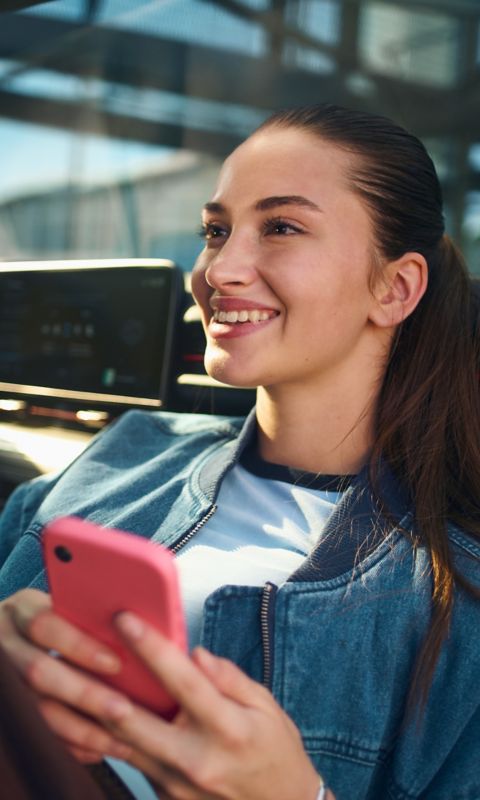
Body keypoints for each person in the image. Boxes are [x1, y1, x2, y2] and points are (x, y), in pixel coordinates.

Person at [0, 103, 479, 800]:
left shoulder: (456, 599)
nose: (221, 269)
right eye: (215, 231)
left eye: (281, 228)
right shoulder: (125, 452)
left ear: (395, 288)